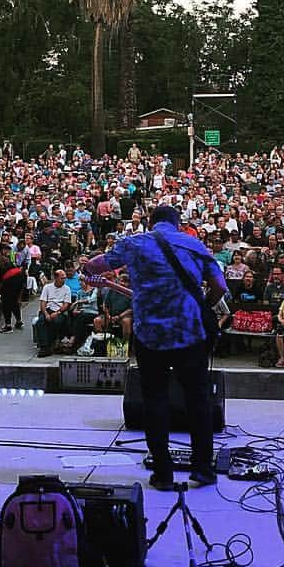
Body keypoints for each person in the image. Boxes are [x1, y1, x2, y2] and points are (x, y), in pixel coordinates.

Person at [86, 204, 226, 491]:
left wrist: (89, 265)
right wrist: (201, 308)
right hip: (190, 333)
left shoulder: (134, 243)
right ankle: (203, 470)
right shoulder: (195, 245)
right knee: (198, 401)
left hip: (151, 335)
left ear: (150, 223)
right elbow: (220, 286)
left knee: (155, 401)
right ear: (178, 223)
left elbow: (97, 266)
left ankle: (163, 474)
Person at [34, 268, 72, 358]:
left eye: (64, 278)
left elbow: (66, 304)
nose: (64, 280)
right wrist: (46, 314)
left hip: (59, 310)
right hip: (48, 309)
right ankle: (44, 346)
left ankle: (50, 344)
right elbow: (43, 302)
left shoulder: (67, 289)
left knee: (56, 322)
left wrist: (58, 312)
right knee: (40, 322)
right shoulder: (47, 287)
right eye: (62, 278)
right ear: (56, 278)